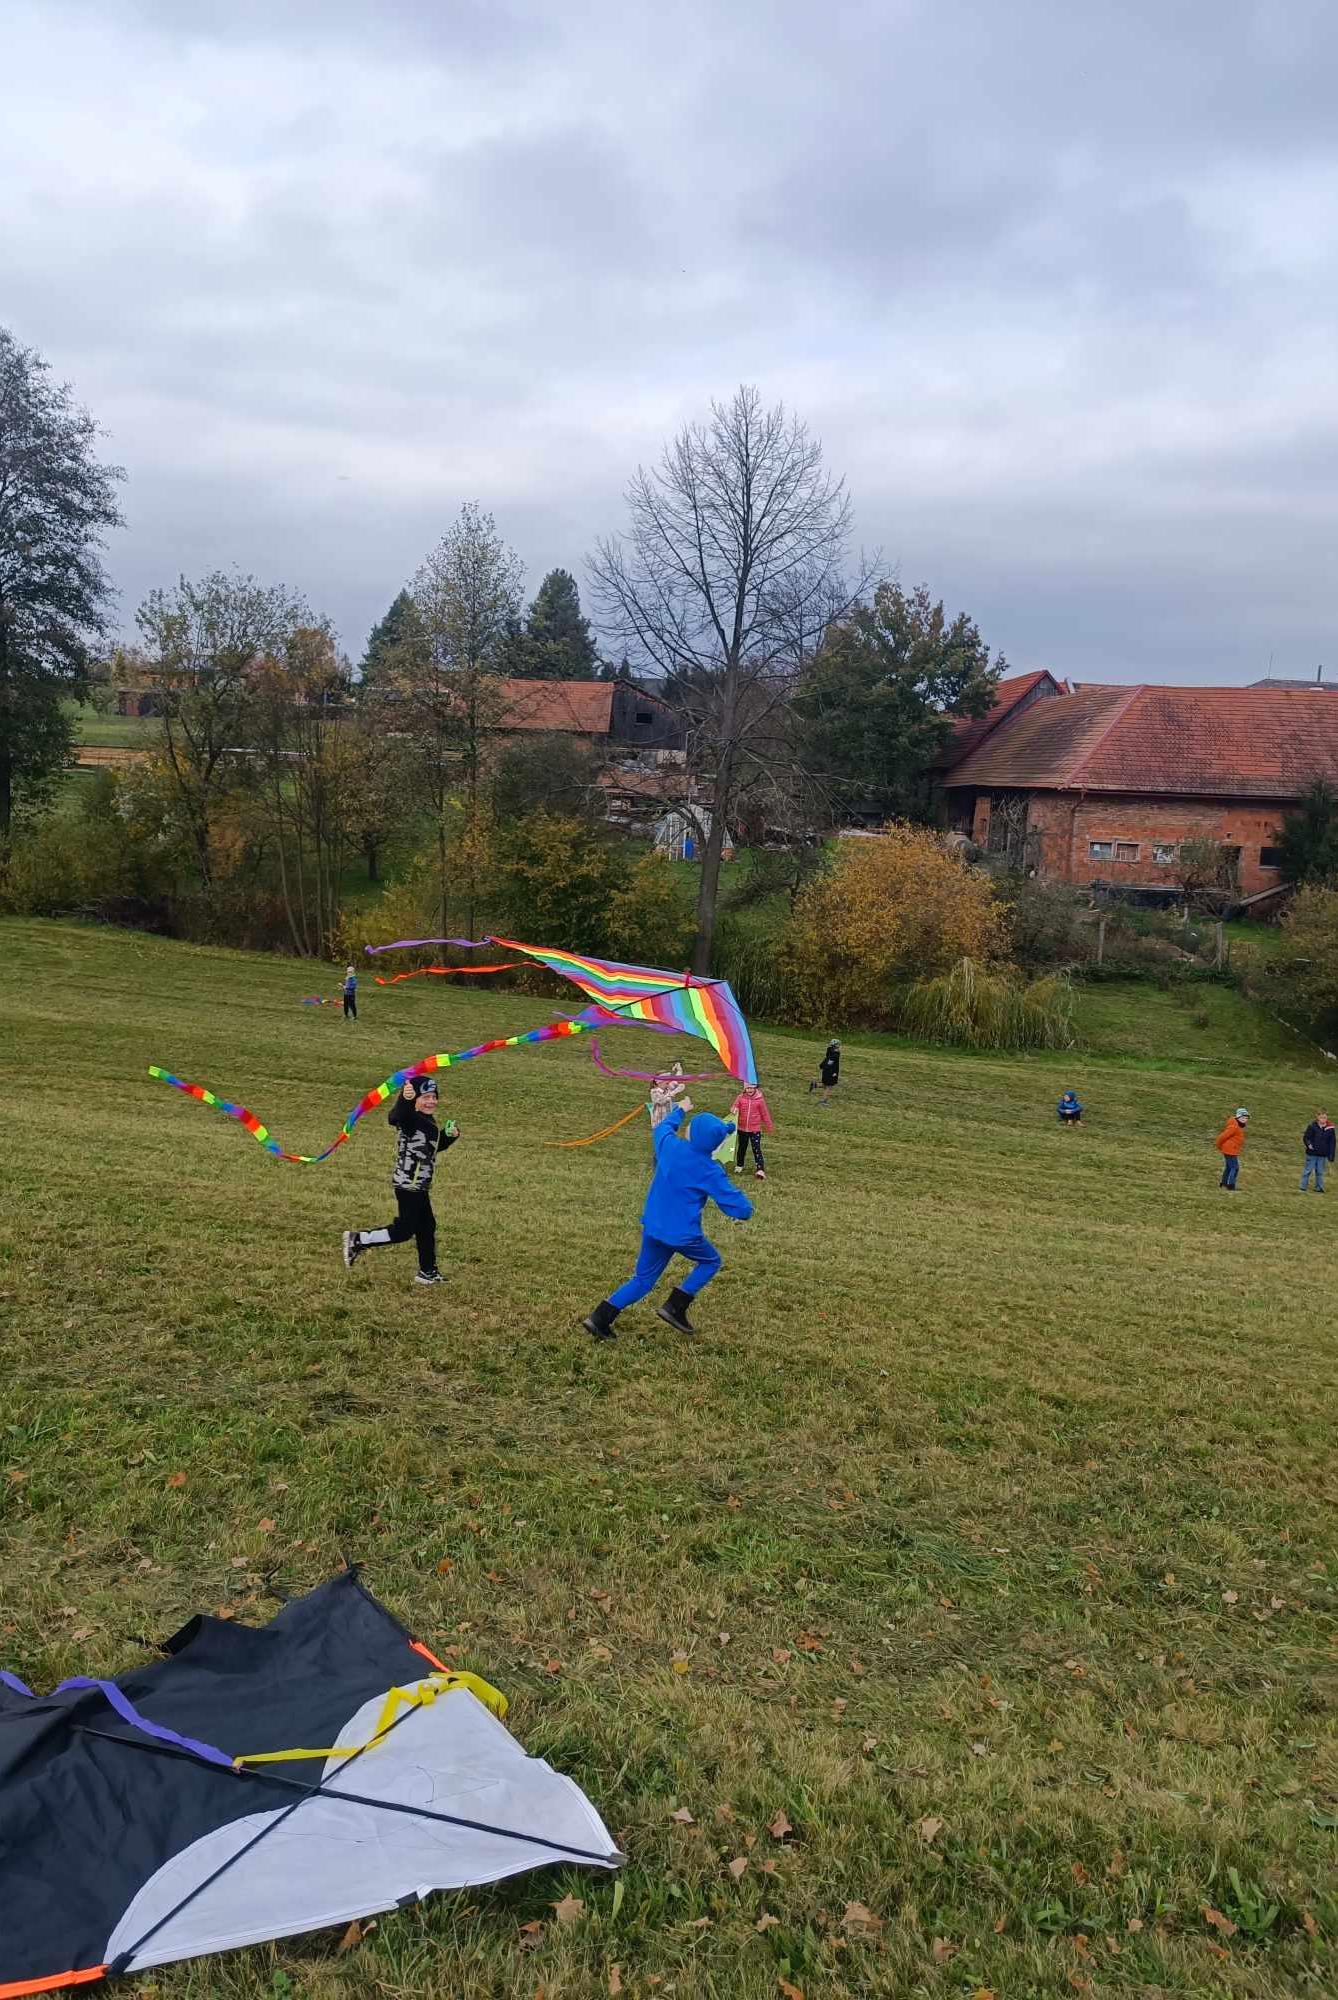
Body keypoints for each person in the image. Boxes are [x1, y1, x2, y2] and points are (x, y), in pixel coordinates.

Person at [583, 1097, 752, 1341]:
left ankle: (600, 1318)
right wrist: (742, 1212)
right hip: (683, 1235)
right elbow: (739, 1206)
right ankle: (675, 1306)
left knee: (642, 1279)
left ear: (690, 1134)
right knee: (711, 1262)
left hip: (653, 1227)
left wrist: (680, 1110)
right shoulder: (709, 1168)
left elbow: (663, 1127)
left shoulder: (670, 1147)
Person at [343, 1075, 457, 1285]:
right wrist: (405, 1099)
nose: (431, 1101)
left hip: (419, 1186)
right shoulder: (410, 1119)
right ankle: (359, 1240)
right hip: (408, 1186)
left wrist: (448, 1136)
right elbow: (395, 1116)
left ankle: (427, 1272)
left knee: (427, 1226)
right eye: (425, 1097)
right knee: (404, 1230)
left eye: (434, 1097)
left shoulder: (428, 1122)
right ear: (415, 1099)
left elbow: (431, 1149)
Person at [729, 1081, 774, 1178]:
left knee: (756, 1148)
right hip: (742, 1129)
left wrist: (768, 1125)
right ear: (744, 1088)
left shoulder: (760, 1100)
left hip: (755, 1129)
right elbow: (734, 1107)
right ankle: (739, 1165)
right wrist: (734, 1110)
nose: (750, 1090)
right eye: (748, 1088)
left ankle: (760, 1169)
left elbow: (764, 1113)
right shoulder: (740, 1097)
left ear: (755, 1088)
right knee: (742, 1148)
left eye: (752, 1088)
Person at [1215, 1107, 1249, 1190]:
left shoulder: (1237, 1125)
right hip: (1230, 1150)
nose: (1245, 1119)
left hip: (1232, 1149)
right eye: (1243, 1117)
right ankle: (1230, 1185)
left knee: (1229, 1167)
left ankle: (1223, 1184)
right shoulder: (1234, 1126)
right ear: (1238, 1117)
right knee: (1234, 1167)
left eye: (1246, 1118)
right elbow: (1222, 1136)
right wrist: (1219, 1145)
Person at [1301, 1111, 1335, 1193]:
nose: (1323, 1119)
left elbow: (1332, 1142)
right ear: (1317, 1117)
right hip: (1312, 1153)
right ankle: (1303, 1187)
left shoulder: (1330, 1129)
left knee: (1319, 1172)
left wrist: (1331, 1154)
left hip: (1322, 1155)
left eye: (1325, 1118)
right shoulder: (1312, 1127)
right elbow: (1306, 1137)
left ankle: (1319, 1187)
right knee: (1308, 1170)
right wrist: (1309, 1144)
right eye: (1321, 1117)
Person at [648, 1062, 686, 1129]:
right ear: (658, 1082)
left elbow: (677, 1080)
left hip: (668, 1121)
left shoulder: (668, 1088)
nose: (669, 1081)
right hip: (659, 1123)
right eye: (666, 1080)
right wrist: (675, 1091)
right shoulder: (654, 1092)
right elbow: (662, 1101)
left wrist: (679, 1069)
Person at [809, 1039, 841, 1104]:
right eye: (838, 1044)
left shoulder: (830, 1051)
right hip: (831, 1072)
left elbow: (826, 1059)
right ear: (835, 1045)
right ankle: (823, 1101)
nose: (839, 1046)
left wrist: (822, 1066)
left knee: (826, 1084)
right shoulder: (835, 1054)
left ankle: (815, 1085)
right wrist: (833, 1072)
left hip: (826, 1071)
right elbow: (830, 1063)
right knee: (829, 1086)